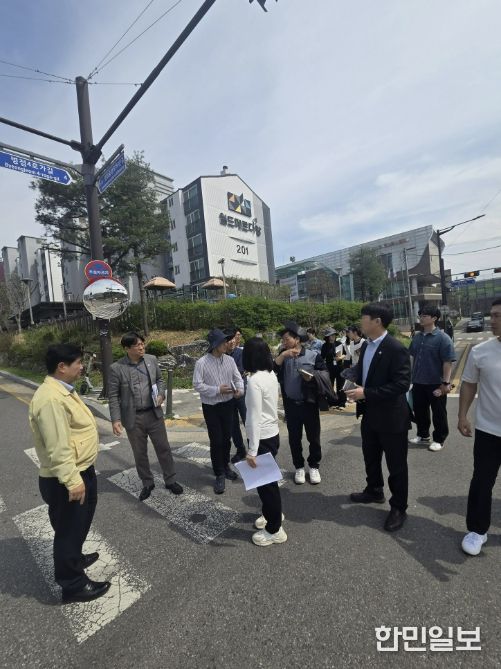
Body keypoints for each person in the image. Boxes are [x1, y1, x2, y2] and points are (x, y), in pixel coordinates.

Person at [28, 344, 111, 603]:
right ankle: (73, 585)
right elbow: (57, 447)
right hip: (66, 477)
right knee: (68, 531)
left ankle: (74, 557)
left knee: (77, 524)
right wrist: (73, 481)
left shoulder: (62, 390)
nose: (82, 366)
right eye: (78, 363)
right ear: (61, 367)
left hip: (81, 470)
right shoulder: (51, 399)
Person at [346, 303, 411, 532]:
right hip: (370, 414)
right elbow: (365, 371)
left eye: (364, 318)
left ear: (377, 321)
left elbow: (402, 384)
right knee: (370, 457)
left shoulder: (395, 348)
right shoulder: (366, 345)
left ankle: (399, 507)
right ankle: (374, 490)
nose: (360, 322)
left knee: (396, 466)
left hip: (392, 417)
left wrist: (367, 393)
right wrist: (350, 377)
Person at [109, 332, 183, 501]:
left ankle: (170, 480)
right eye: (137, 345)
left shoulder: (151, 360)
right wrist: (116, 419)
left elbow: (160, 380)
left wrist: (161, 394)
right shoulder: (117, 368)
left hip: (153, 413)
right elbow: (113, 396)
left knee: (163, 448)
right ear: (127, 348)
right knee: (140, 452)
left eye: (143, 343)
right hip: (133, 417)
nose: (142, 347)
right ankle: (147, 483)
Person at [458, 297, 501, 556]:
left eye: (497, 316)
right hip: (489, 430)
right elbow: (469, 384)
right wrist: (462, 416)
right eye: (491, 315)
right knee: (482, 482)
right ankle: (477, 530)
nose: (491, 320)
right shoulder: (481, 351)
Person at [243, 337, 287, 547]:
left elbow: (254, 417)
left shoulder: (254, 381)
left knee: (266, 485)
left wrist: (252, 450)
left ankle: (274, 529)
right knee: (268, 482)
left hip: (260, 437)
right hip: (272, 434)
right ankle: (272, 513)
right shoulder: (270, 375)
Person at [274, 320, 327, 485]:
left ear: (297, 339)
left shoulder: (313, 355)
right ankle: (299, 467)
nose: (284, 342)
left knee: (314, 437)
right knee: (294, 438)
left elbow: (325, 374)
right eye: (283, 340)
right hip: (291, 405)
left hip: (309, 404)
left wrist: (312, 377)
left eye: (287, 339)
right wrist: (283, 355)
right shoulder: (284, 356)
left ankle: (314, 466)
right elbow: (272, 369)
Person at [193, 329, 244, 494]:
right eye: (223, 342)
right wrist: (217, 390)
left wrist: (239, 390)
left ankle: (226, 466)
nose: (226, 343)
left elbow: (238, 379)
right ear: (215, 345)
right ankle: (219, 473)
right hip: (211, 407)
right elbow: (197, 384)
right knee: (216, 441)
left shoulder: (230, 360)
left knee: (227, 438)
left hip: (228, 404)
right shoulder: (201, 363)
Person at [408, 305, 456, 452]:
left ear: (434, 318)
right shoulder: (417, 337)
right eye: (420, 315)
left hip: (436, 383)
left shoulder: (443, 338)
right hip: (418, 382)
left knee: (439, 413)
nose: (421, 318)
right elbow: (412, 357)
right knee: (420, 411)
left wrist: (445, 383)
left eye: (424, 316)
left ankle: (439, 439)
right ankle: (423, 435)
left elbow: (447, 362)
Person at [223, 327, 247, 464]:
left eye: (233, 338)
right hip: (227, 394)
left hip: (241, 392)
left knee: (247, 420)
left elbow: (241, 371)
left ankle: (253, 448)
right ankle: (240, 449)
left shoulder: (240, 353)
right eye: (228, 339)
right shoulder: (221, 355)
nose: (232, 341)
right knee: (233, 424)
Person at [321, 327, 347, 408]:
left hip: (339, 366)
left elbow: (344, 354)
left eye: (334, 335)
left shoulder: (339, 343)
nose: (333, 337)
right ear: (327, 337)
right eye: (331, 335)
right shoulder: (325, 346)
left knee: (341, 385)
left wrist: (340, 358)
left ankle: (342, 402)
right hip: (329, 367)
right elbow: (322, 357)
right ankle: (331, 401)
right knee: (330, 385)